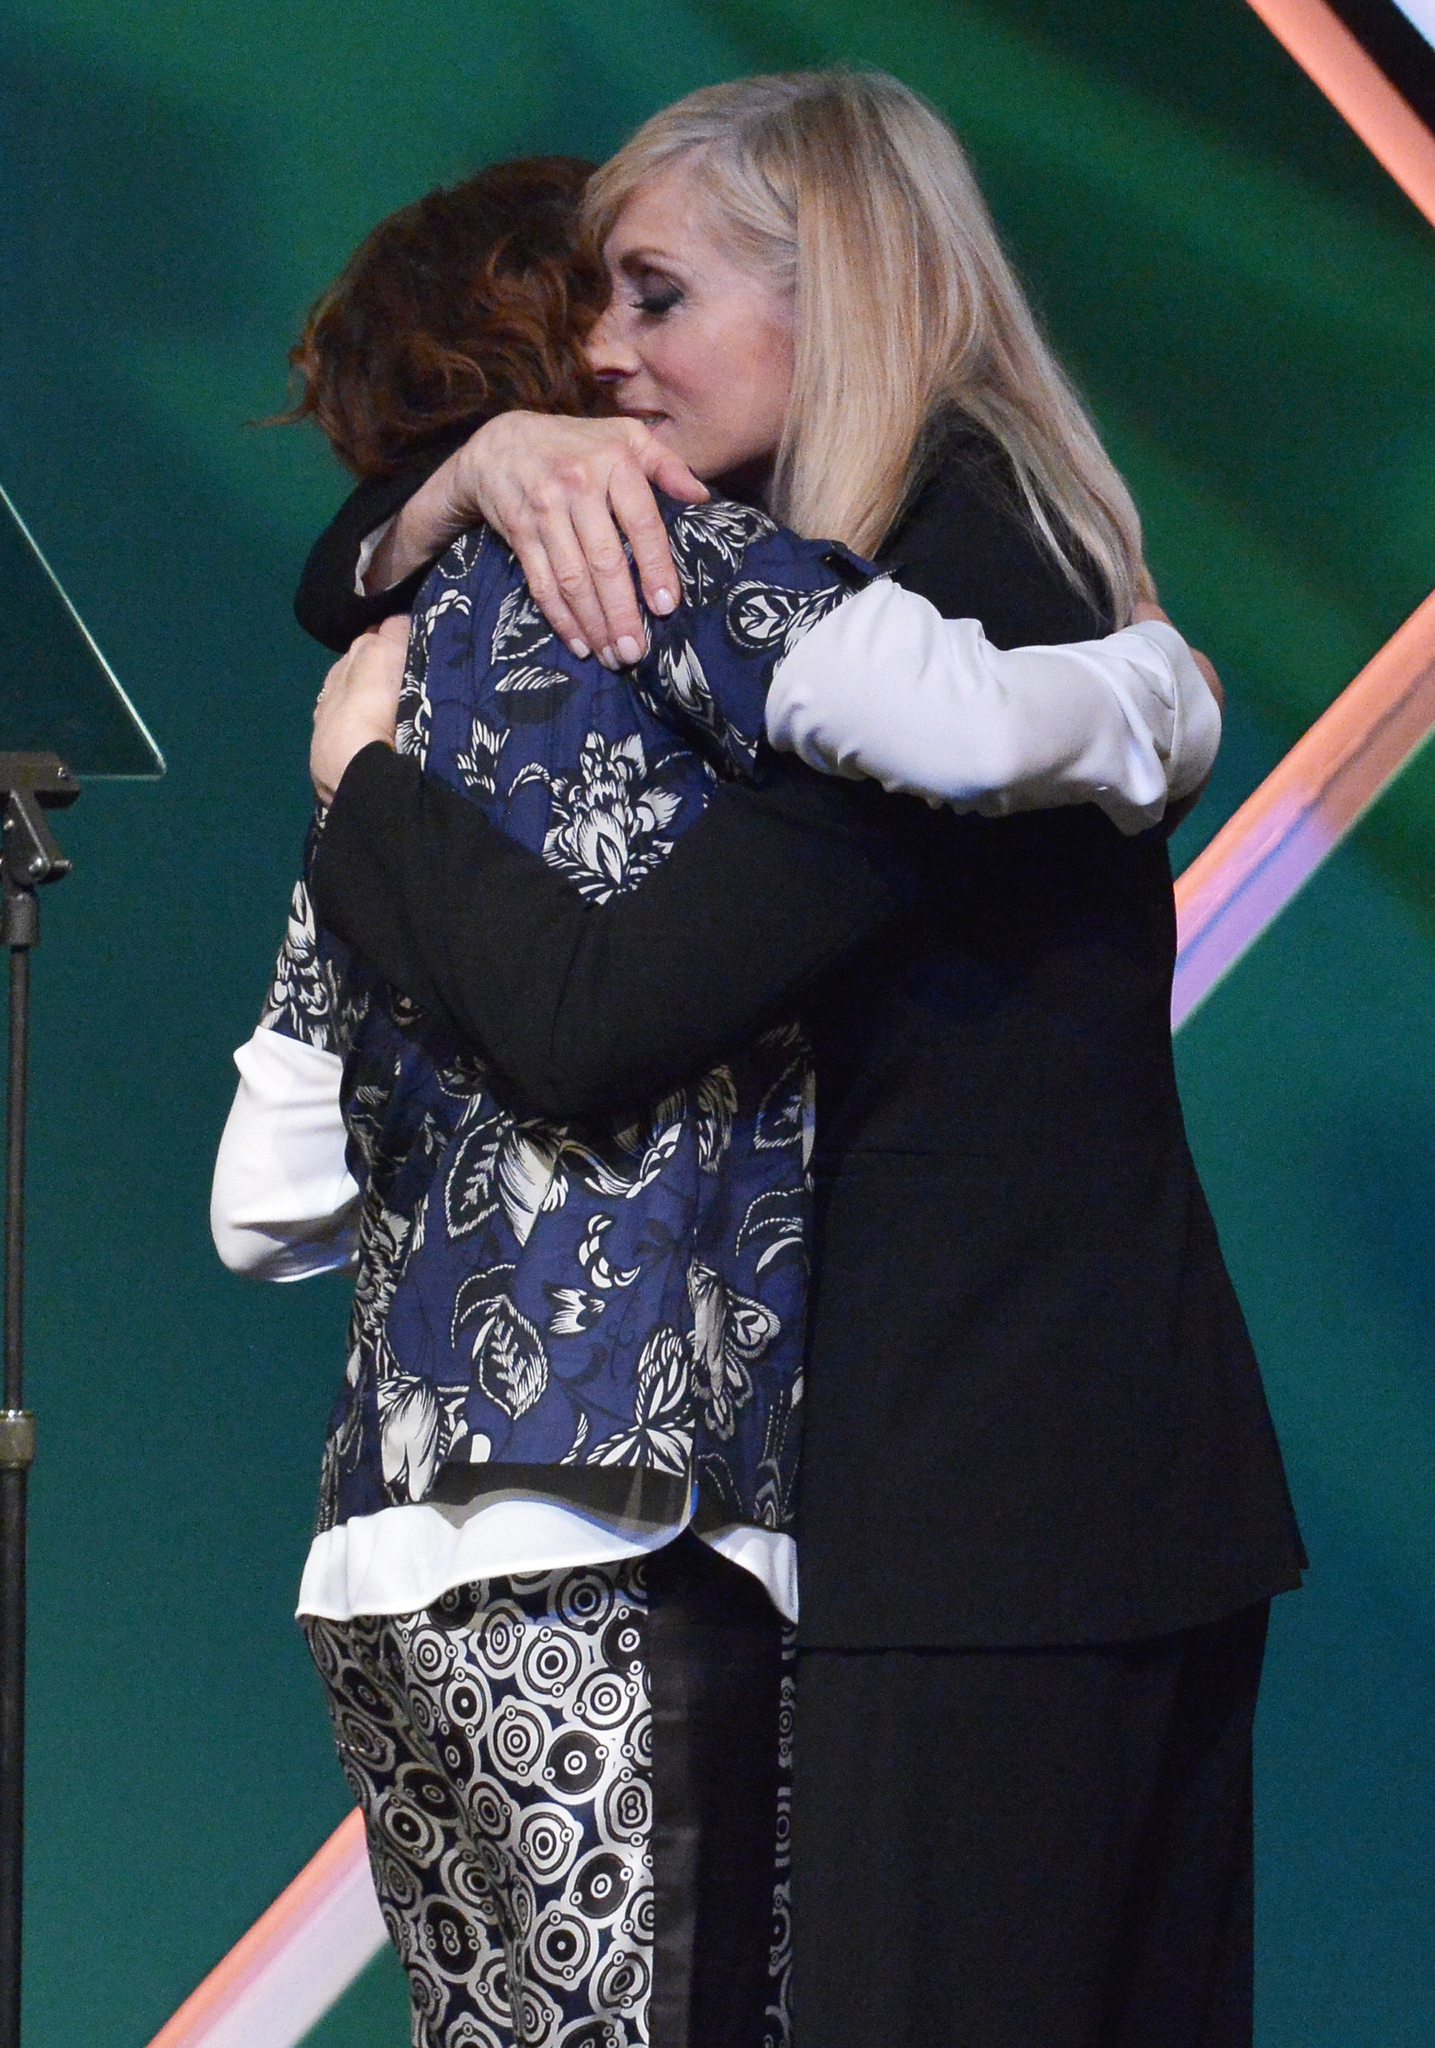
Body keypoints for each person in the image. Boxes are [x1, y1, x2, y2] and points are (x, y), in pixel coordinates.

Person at [300, 70, 1304, 2048]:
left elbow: (601, 1017)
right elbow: (345, 567)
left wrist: (365, 794)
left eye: (652, 299)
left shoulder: (945, 597)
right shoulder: (949, 547)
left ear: (829, 283)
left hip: (982, 1540)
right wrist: (479, 461)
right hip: (1067, 1511)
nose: (602, 351)